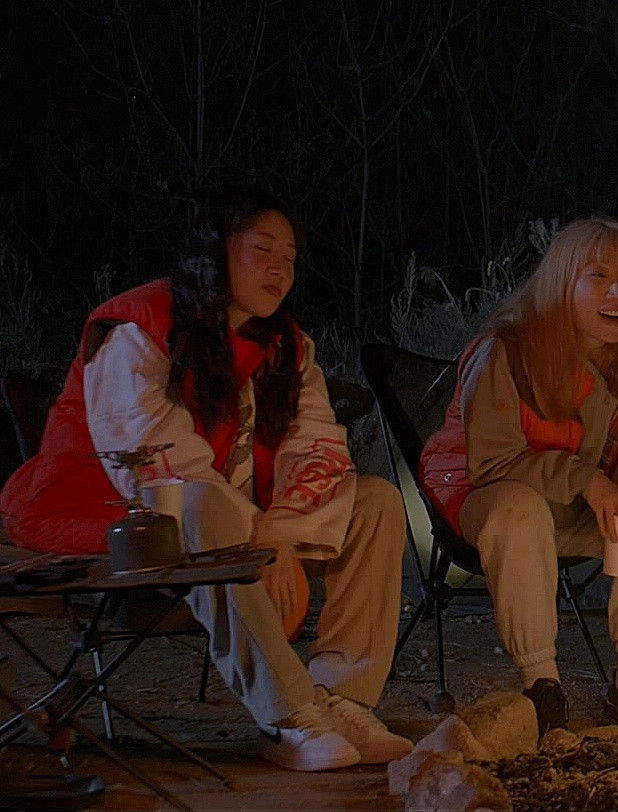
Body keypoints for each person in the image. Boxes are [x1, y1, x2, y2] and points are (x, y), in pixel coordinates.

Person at [0, 189, 411, 772]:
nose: (279, 268)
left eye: (290, 258)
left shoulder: (286, 346)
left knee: (376, 501)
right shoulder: (139, 329)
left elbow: (316, 444)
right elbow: (153, 462)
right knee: (196, 504)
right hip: (105, 511)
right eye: (262, 249)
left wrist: (280, 532)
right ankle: (288, 716)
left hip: (231, 519)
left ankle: (343, 699)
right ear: (218, 253)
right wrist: (263, 537)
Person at [420, 217, 618, 730]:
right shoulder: (509, 351)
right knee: (519, 509)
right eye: (599, 276)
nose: (617, 293)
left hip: (579, 508)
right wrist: (588, 480)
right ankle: (541, 685)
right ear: (564, 282)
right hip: (486, 497)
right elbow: (493, 461)